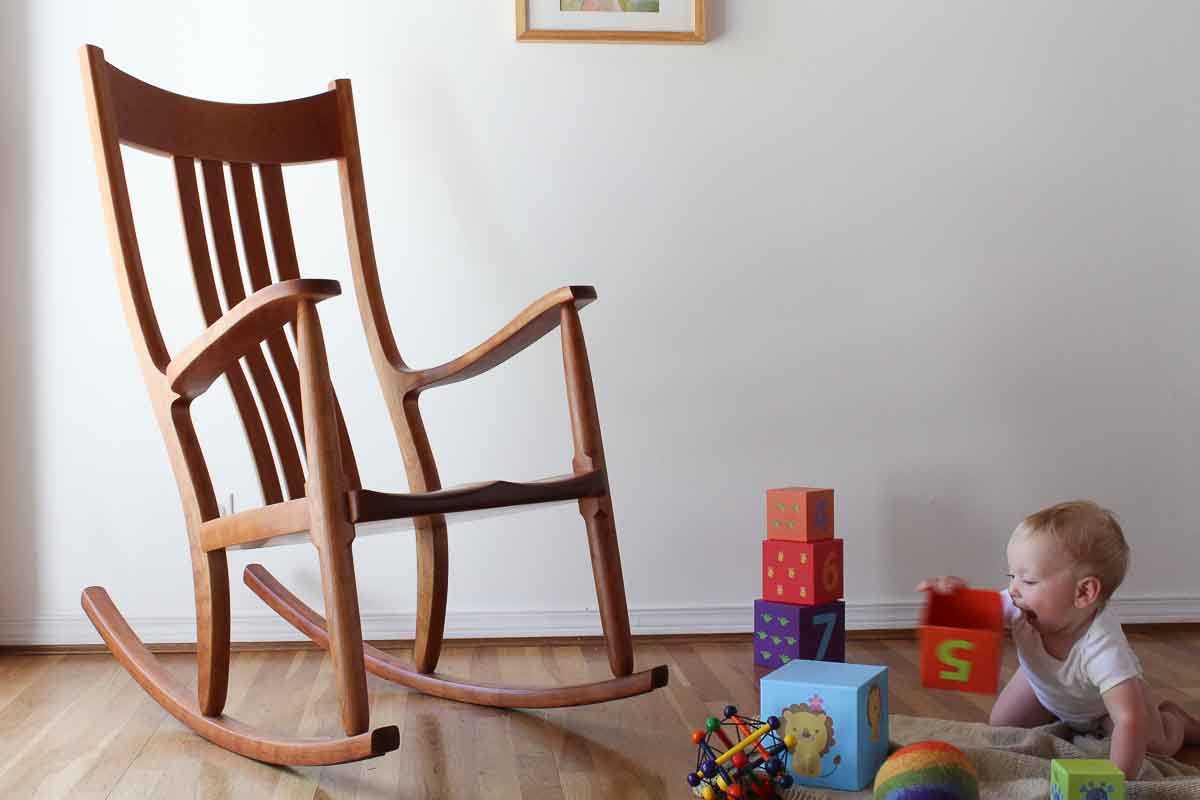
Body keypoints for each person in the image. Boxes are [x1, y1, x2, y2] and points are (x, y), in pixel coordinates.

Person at [917, 500, 1200, 778]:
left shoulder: (1103, 647)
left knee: (1152, 742)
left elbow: (1128, 719)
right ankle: (1062, 716)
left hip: (1103, 705)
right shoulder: (1019, 603)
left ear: (1083, 593)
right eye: (1011, 575)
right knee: (1002, 726)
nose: (1013, 590)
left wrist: (1115, 782)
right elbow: (973, 618)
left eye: (1028, 581)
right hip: (1044, 685)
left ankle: (1177, 721)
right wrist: (954, 600)